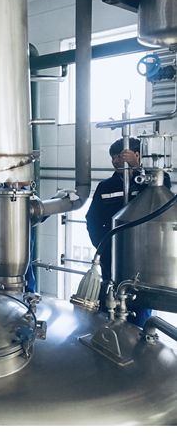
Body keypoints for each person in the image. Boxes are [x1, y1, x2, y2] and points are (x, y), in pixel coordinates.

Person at [85, 137, 170, 326]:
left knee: (140, 304)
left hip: (143, 257)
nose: (115, 161)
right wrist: (103, 246)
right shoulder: (105, 186)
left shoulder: (149, 182)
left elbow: (164, 189)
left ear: (137, 155)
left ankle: (138, 336)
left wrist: (137, 168)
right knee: (108, 305)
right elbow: (92, 220)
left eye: (119, 156)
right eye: (113, 157)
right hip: (112, 256)